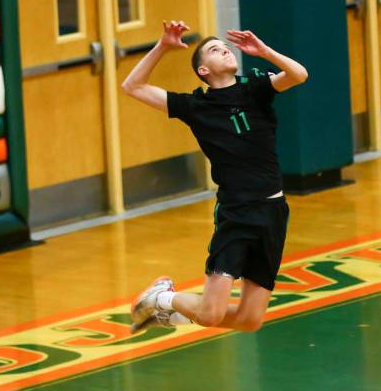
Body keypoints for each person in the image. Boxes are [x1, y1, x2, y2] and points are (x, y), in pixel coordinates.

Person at [122, 20, 308, 333]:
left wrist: (263, 51)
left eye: (225, 47)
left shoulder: (256, 89)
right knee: (210, 314)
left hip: (274, 212)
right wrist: (164, 47)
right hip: (238, 213)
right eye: (213, 50)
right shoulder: (196, 106)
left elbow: (299, 74)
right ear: (203, 71)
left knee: (250, 321)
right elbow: (133, 86)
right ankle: (163, 298)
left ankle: (172, 312)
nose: (223, 49)